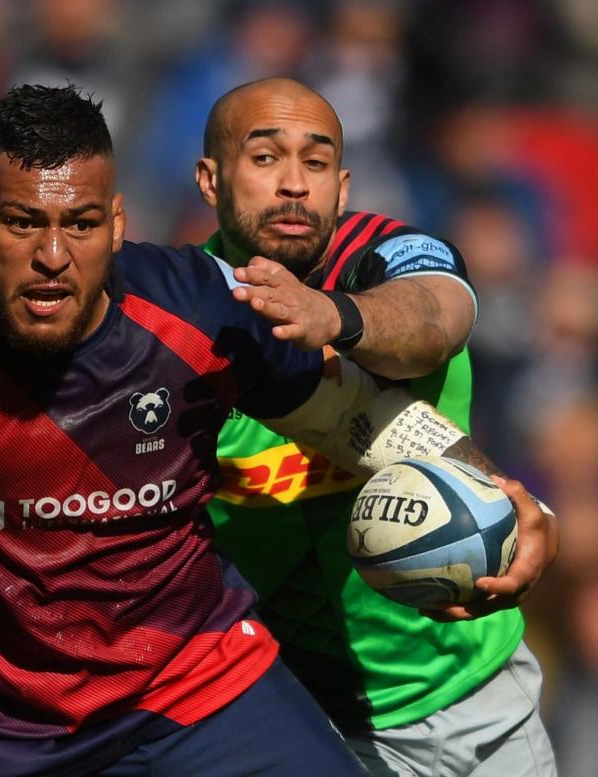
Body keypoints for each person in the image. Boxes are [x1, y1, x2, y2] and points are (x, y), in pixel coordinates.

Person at [0, 84, 556, 777]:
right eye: (23, 222)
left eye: (81, 225)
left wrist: (492, 491)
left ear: (118, 224)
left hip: (201, 684)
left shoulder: (200, 308)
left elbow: (359, 419)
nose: (54, 255)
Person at [196, 78, 559, 775]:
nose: (295, 184)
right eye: (265, 158)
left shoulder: (388, 251)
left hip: (482, 699)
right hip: (308, 720)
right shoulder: (183, 323)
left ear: (343, 183)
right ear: (210, 180)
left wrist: (334, 317)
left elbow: (432, 319)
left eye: (317, 161)